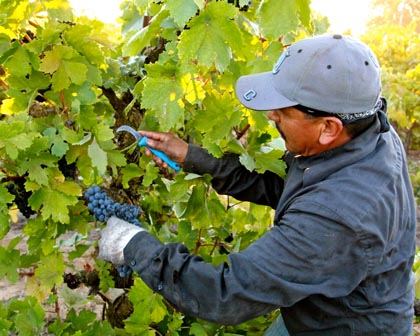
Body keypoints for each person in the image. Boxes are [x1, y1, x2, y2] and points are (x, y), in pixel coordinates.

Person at [98, 34, 417, 335]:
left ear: (328, 128)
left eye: (283, 109)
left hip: (341, 327)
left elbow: (225, 295)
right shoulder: (367, 134)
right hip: (324, 306)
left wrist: (133, 244)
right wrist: (192, 156)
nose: (271, 115)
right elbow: (284, 186)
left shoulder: (338, 217)